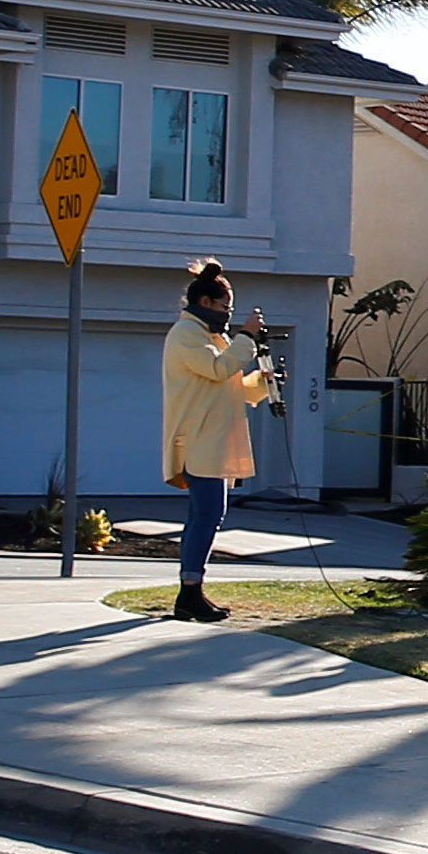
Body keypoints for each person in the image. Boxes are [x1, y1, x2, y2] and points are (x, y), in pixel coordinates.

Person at [158, 261, 279, 624]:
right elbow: (217, 369)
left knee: (206, 515)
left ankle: (190, 593)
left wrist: (262, 380)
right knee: (207, 514)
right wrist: (246, 337)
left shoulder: (212, 339)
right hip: (197, 441)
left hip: (211, 440)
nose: (228, 315)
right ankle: (189, 593)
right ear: (207, 302)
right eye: (225, 308)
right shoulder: (186, 335)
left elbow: (229, 384)